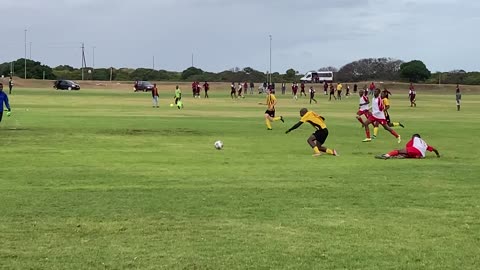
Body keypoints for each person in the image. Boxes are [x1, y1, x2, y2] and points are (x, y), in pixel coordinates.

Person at [375, 134, 440, 159]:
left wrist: (401, 151)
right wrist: (438, 155)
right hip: (421, 154)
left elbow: (407, 146)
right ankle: (414, 156)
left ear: (413, 137)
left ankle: (386, 155)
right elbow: (434, 149)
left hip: (415, 150)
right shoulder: (424, 143)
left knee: (398, 151)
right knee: (407, 153)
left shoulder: (414, 139)